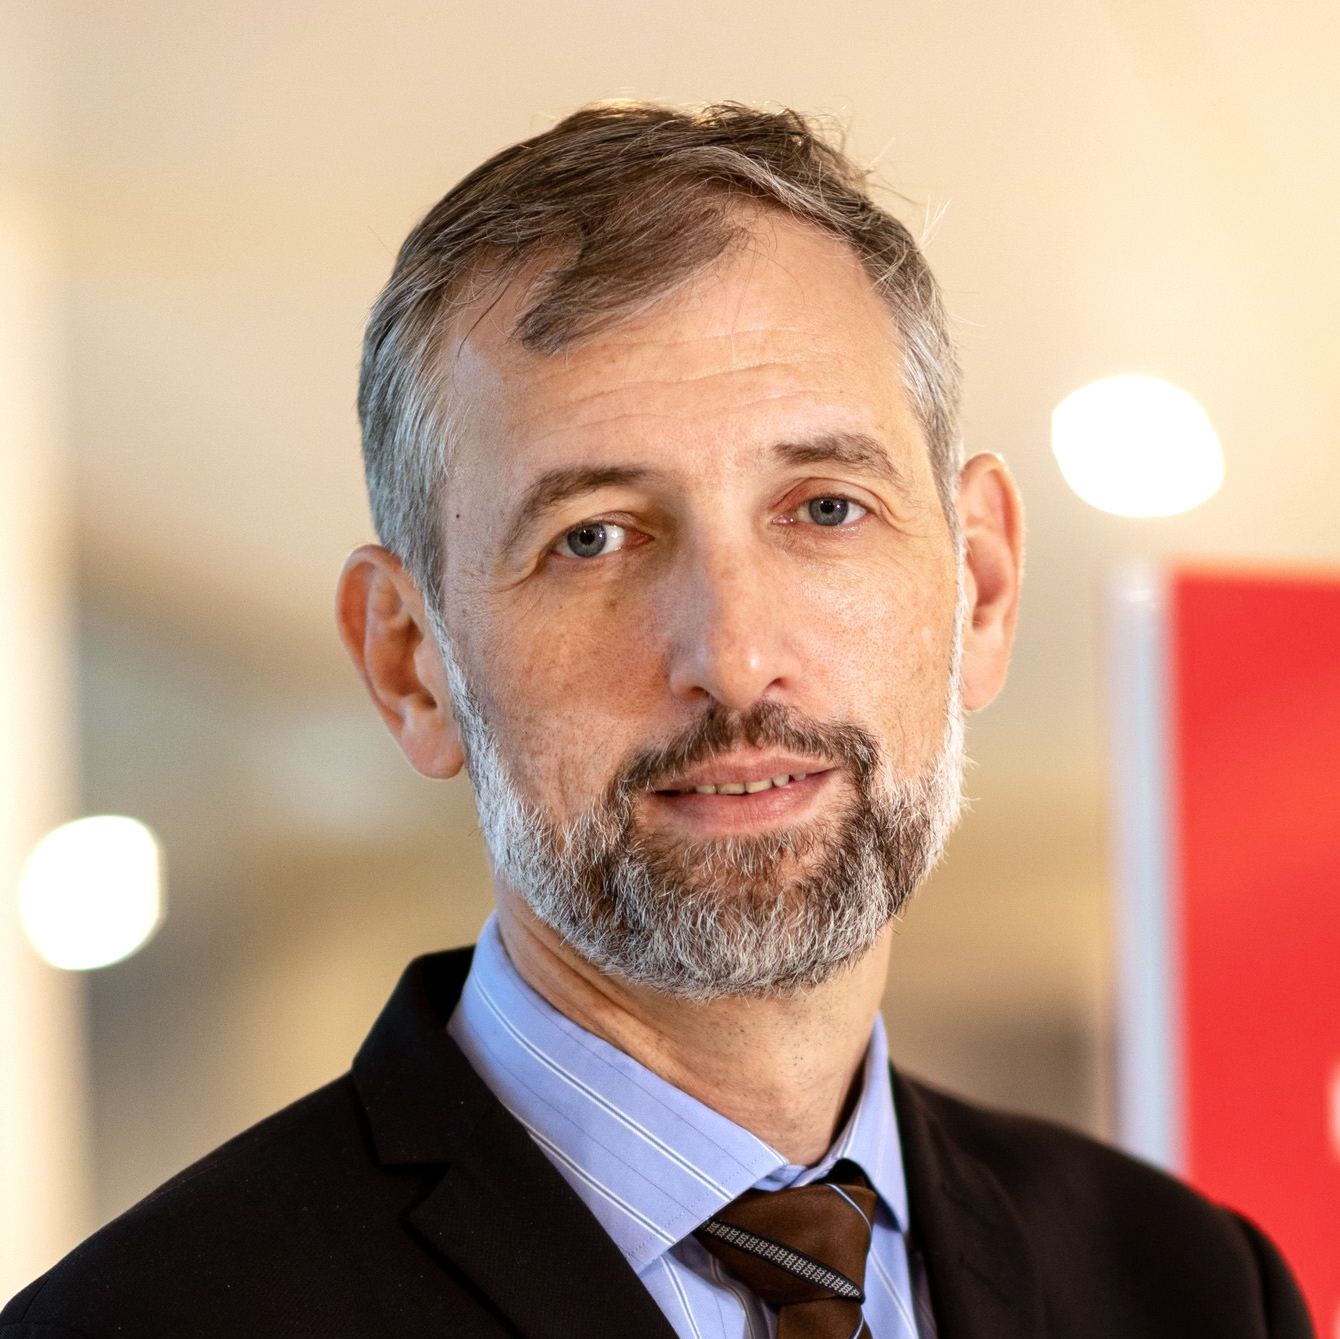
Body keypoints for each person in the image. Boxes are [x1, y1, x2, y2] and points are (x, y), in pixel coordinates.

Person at [1, 101, 1315, 1339]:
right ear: (411, 663)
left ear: (977, 586)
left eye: (825, 507)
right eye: (593, 537)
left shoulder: (1195, 1288)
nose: (734, 658)